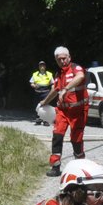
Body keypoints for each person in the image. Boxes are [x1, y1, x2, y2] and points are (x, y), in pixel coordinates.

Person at [39, 46, 88, 177]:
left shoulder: (76, 68)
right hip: (62, 110)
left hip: (78, 111)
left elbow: (80, 76)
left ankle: (80, 165)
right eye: (58, 59)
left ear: (69, 57)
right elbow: (55, 89)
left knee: (76, 139)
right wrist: (44, 102)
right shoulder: (58, 74)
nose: (62, 61)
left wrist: (66, 89)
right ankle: (55, 166)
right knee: (57, 135)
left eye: (64, 58)